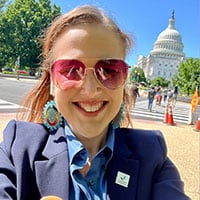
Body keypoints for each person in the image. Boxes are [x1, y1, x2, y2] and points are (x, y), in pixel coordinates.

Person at [0, 5, 190, 200]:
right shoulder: (17, 150)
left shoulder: (151, 155)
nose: (90, 89)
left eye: (108, 70)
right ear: (51, 83)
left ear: (124, 79)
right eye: (71, 70)